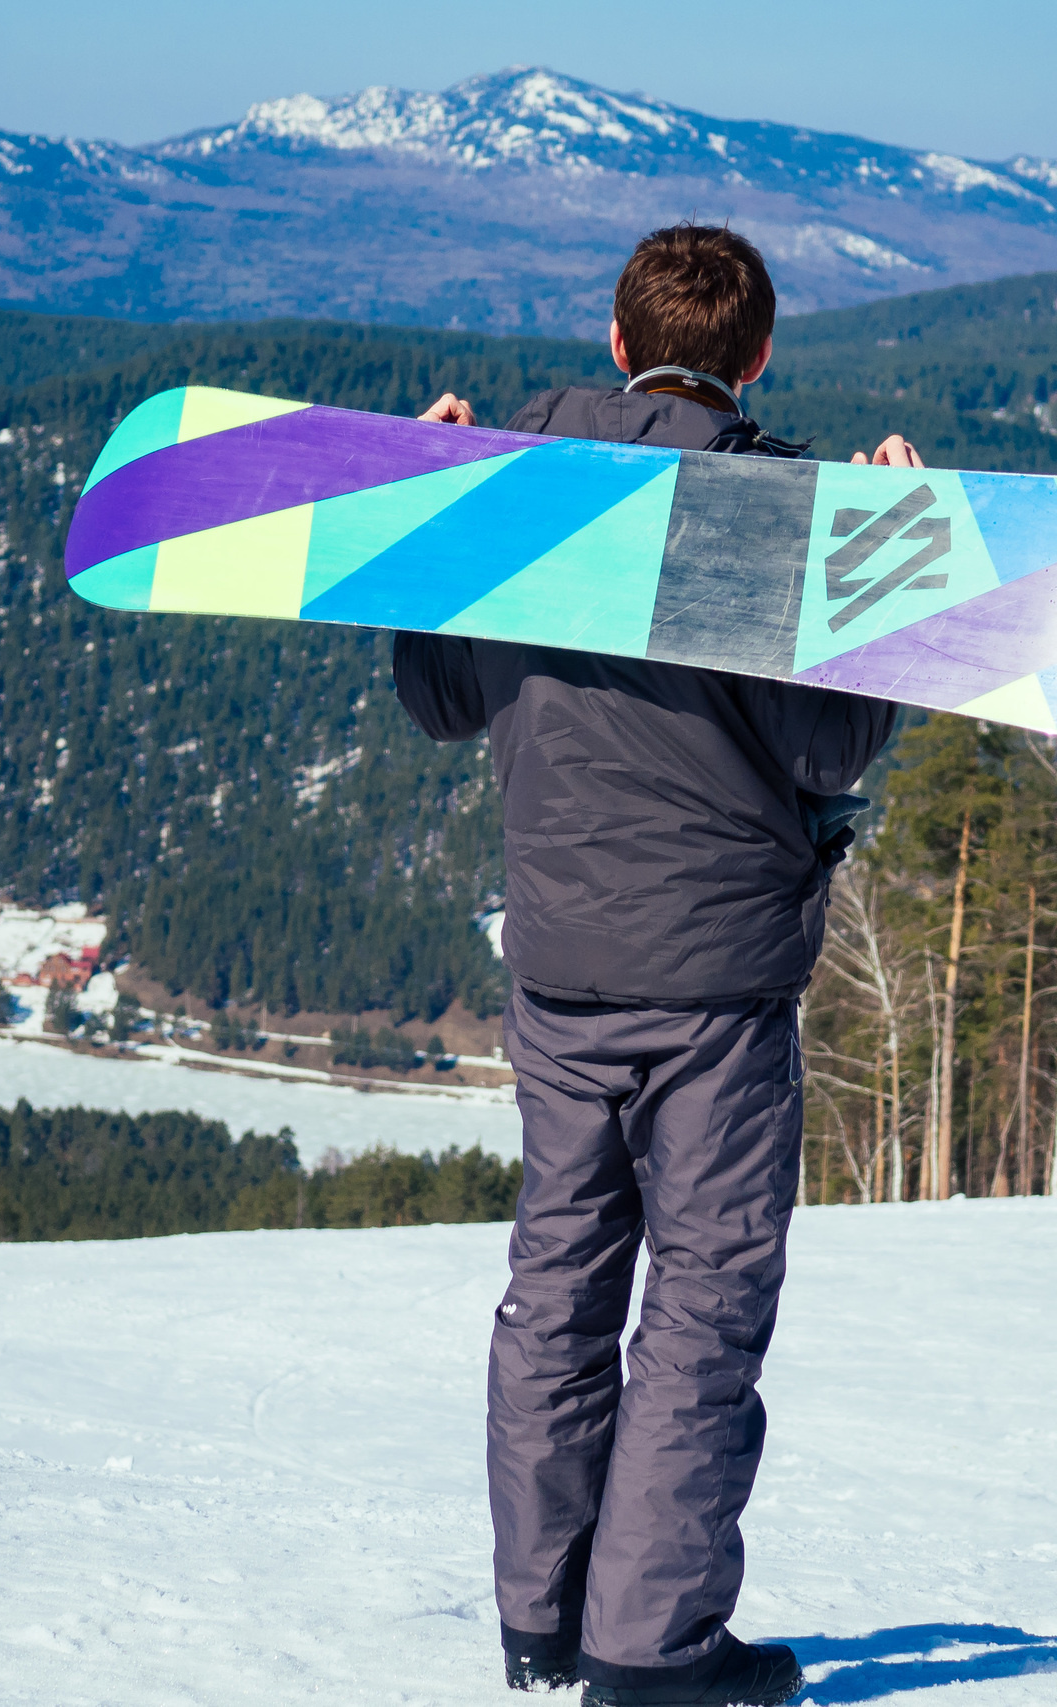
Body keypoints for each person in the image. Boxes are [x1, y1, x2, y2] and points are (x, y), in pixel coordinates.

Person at [397, 225, 909, 1707]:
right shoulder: (771, 517)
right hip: (718, 985)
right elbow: (827, 742)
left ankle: (540, 1621)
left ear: (615, 345)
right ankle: (649, 1645)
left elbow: (439, 695)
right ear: (755, 361)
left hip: (557, 969)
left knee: (555, 1278)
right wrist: (866, 569)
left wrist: (442, 512)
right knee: (701, 1297)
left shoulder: (520, 500)